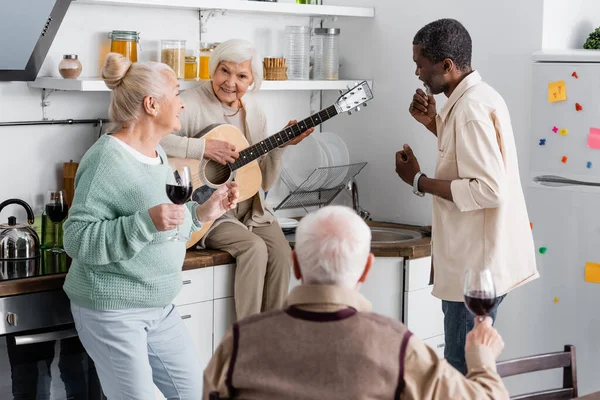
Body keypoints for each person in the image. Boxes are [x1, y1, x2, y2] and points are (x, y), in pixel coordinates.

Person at [62, 52, 239, 399]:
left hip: (160, 306)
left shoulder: (157, 153)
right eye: (176, 93)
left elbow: (168, 225)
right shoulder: (105, 159)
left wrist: (204, 212)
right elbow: (77, 239)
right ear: (152, 104)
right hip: (113, 311)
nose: (182, 104)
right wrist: (144, 222)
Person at [203, 205, 510, 399]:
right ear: (366, 268)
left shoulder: (241, 341)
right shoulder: (400, 348)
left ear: (295, 265)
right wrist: (481, 357)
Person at [395, 18, 538, 374]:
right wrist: (434, 124)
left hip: (474, 270)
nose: (416, 72)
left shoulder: (471, 110)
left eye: (420, 64)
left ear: (447, 65)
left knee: (461, 368)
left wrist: (417, 180)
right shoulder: (478, 98)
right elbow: (469, 160)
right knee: (470, 364)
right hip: (481, 263)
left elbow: (489, 189)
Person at [161, 39, 314, 320]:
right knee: (253, 248)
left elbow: (262, 182)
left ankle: (272, 337)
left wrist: (279, 148)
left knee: (282, 252)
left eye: (241, 76)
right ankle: (246, 339)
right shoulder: (190, 102)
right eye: (224, 71)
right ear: (213, 69)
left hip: (248, 208)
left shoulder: (254, 111)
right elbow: (156, 138)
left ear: (252, 80)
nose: (230, 82)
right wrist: (202, 148)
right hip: (206, 213)